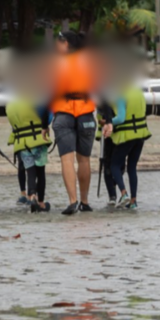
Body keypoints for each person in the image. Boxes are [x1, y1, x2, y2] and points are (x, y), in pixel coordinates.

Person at [50, 32, 100, 215]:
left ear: (66, 44)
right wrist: (108, 119)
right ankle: (85, 202)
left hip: (64, 114)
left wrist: (43, 123)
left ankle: (72, 201)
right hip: (86, 114)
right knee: (84, 159)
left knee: (67, 159)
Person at [102, 77, 151, 210]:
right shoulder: (139, 93)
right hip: (141, 135)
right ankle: (133, 201)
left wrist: (108, 122)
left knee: (114, 165)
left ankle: (124, 194)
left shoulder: (121, 93)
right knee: (132, 168)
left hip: (127, 135)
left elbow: (121, 118)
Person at [7, 95, 52, 212]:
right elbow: (48, 117)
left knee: (30, 172)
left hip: (22, 142)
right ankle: (41, 202)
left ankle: (32, 196)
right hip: (38, 139)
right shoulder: (36, 98)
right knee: (40, 172)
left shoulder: (10, 102)